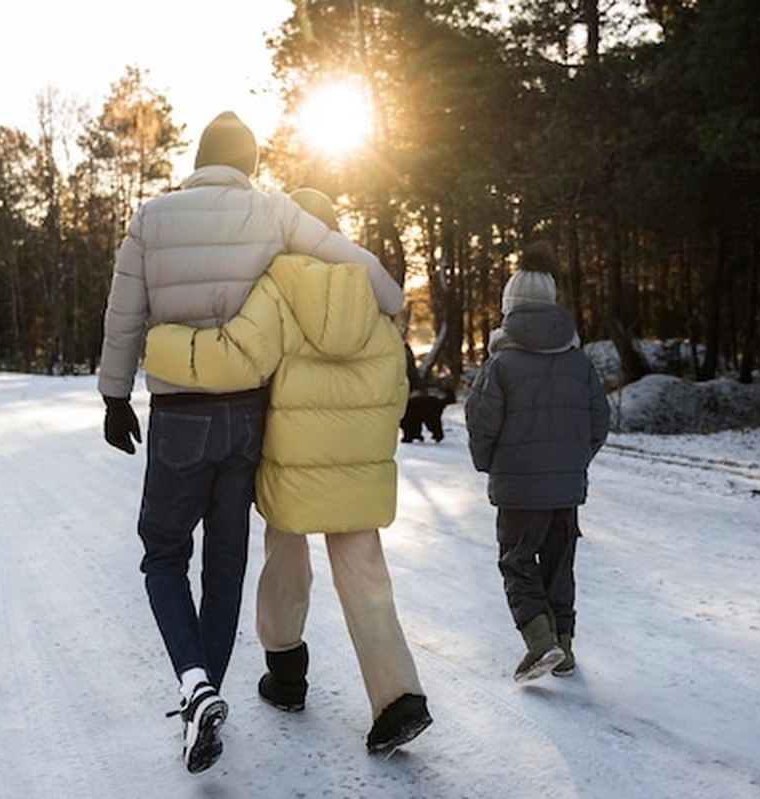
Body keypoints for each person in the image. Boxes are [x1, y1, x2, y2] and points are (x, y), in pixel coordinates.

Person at [97, 115, 404, 774]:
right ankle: (204, 695)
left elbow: (124, 314)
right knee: (226, 563)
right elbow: (349, 259)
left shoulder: (152, 217)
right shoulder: (272, 211)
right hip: (246, 416)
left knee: (164, 554)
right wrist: (391, 300)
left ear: (199, 160)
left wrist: (114, 395)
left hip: (180, 414)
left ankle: (195, 684)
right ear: (250, 165)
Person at [143, 188, 431, 754]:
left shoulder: (279, 286)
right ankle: (398, 699)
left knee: (285, 563)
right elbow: (397, 386)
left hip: (290, 462)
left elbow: (237, 358)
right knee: (367, 578)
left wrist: (161, 344)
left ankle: (286, 673)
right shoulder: (370, 292)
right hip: (358, 465)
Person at [464, 241, 611, 682]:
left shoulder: (501, 363)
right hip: (565, 489)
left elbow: (481, 422)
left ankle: (540, 641)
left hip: (518, 488)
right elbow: (599, 422)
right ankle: (564, 647)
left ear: (509, 307)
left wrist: (490, 464)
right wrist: (571, 463)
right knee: (559, 564)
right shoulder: (578, 361)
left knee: (517, 560)